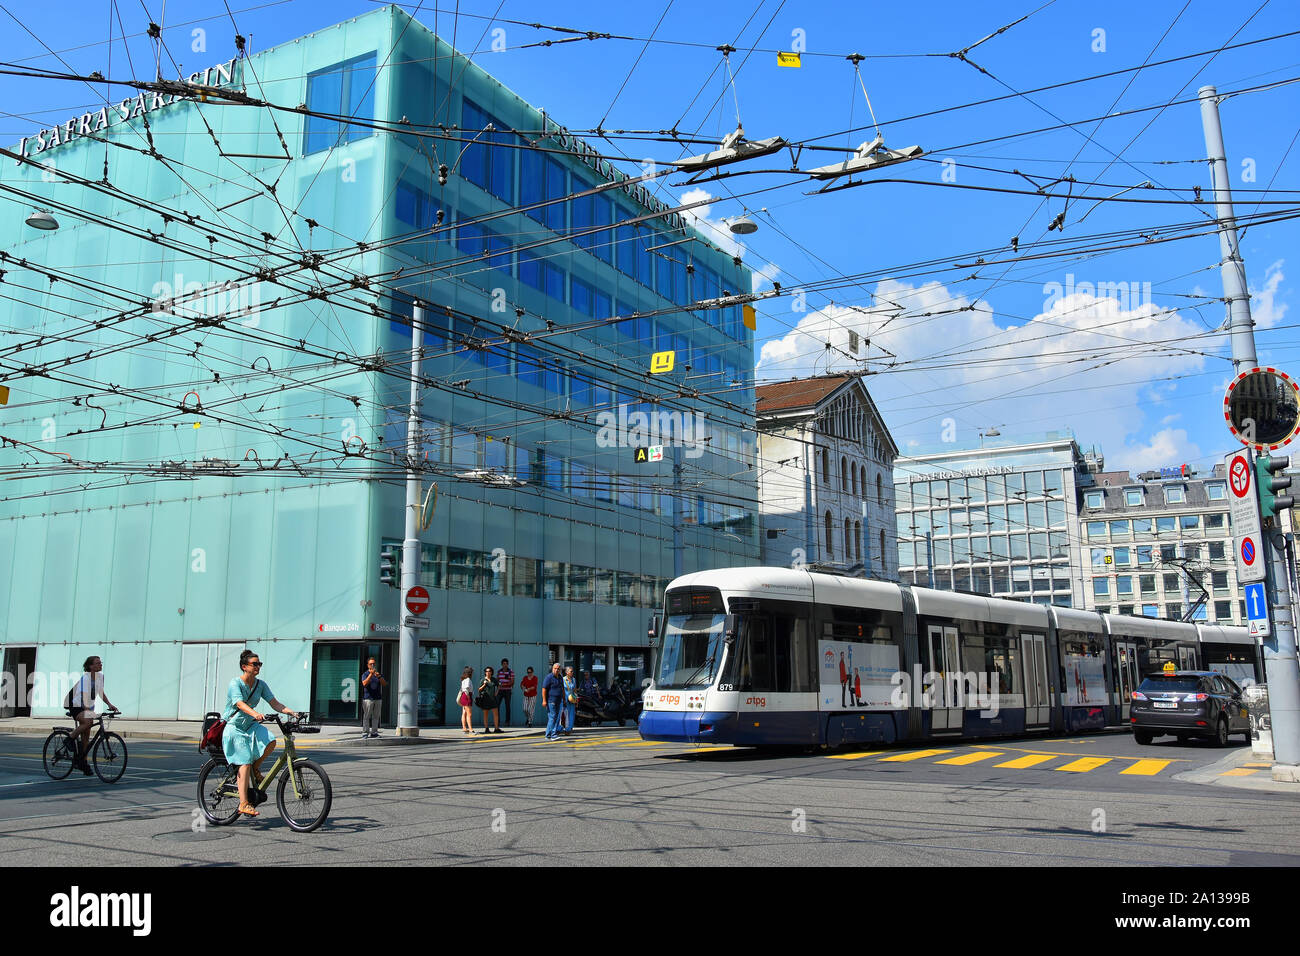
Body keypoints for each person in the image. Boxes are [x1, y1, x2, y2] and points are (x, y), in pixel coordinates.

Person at [222, 650, 300, 817]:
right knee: (244, 761)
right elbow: (240, 703)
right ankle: (243, 803)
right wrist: (255, 714)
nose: (258, 667)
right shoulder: (235, 683)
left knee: (271, 741)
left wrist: (292, 713)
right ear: (244, 667)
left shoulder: (260, 685)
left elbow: (274, 703)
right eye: (254, 664)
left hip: (250, 725)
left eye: (259, 664)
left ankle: (256, 769)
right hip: (234, 727)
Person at [68, 656, 117, 776]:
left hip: (88, 707)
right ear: (91, 666)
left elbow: (100, 692)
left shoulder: (100, 677)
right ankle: (69, 739)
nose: (100, 664)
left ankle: (82, 763)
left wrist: (110, 704)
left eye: (101, 662)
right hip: (77, 706)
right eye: (97, 663)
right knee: (88, 722)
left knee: (86, 738)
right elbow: (84, 695)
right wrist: (88, 710)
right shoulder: (86, 678)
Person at [360, 657, 387, 738]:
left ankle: (374, 732)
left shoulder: (378, 674)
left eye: (374, 664)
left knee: (376, 716)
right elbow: (364, 684)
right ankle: (365, 732)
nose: (372, 665)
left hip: (378, 698)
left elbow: (384, 684)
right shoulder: (365, 674)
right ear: (368, 665)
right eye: (371, 664)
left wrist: (379, 677)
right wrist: (371, 674)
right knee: (367, 716)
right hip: (368, 698)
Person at [541, 662, 564, 740]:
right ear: (552, 669)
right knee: (552, 717)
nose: (556, 670)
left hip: (558, 701)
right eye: (555, 668)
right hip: (551, 701)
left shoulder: (560, 677)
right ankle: (553, 734)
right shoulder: (549, 677)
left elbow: (562, 689)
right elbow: (544, 689)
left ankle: (548, 735)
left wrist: (563, 699)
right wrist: (544, 700)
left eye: (558, 669)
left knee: (554, 717)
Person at [478, 666, 501, 734]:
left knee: (496, 714)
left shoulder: (494, 679)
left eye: (489, 671)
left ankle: (496, 729)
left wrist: (496, 693)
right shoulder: (483, 680)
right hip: (485, 699)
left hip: (493, 699)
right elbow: (479, 689)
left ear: (491, 672)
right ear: (485, 672)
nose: (488, 672)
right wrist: (484, 684)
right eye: (487, 671)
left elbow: (499, 685)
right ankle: (486, 729)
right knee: (485, 714)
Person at [458, 667, 476, 735]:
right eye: (471, 672)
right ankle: (470, 729)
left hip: (464, 696)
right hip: (467, 696)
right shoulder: (468, 679)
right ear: (469, 673)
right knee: (469, 714)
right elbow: (466, 689)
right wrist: (468, 697)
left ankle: (464, 728)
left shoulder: (463, 679)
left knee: (464, 713)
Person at [497, 659, 515, 726]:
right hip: (500, 690)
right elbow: (497, 681)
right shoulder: (499, 672)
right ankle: (497, 721)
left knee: (507, 706)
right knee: (497, 705)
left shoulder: (511, 672)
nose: (505, 665)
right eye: (503, 663)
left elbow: (512, 682)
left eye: (506, 663)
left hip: (507, 691)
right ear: (502, 664)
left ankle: (507, 722)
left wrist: (503, 684)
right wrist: (500, 684)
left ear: (508, 664)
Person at [563, 666, 578, 736]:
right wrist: (563, 700)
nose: (572, 672)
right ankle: (566, 729)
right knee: (566, 715)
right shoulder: (563, 679)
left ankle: (570, 728)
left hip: (572, 699)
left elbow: (575, 690)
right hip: (566, 699)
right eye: (570, 671)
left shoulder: (574, 680)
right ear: (566, 672)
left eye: (572, 671)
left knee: (572, 714)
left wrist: (576, 700)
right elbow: (562, 690)